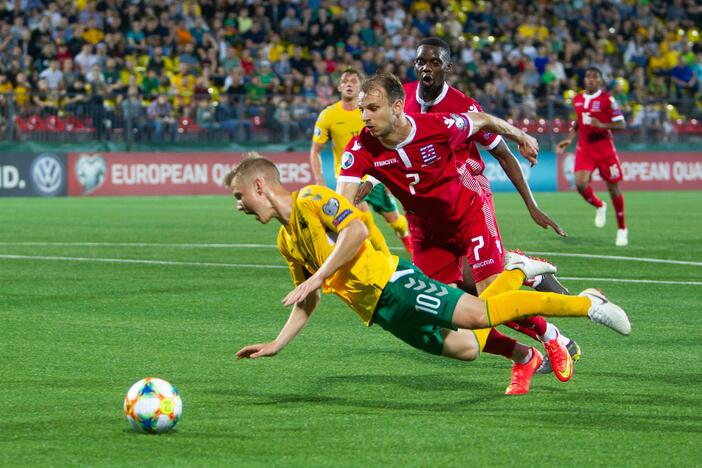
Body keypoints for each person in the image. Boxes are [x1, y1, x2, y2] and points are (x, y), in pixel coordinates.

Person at [228, 156, 631, 396]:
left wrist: (318, 278)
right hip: (379, 312)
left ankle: (587, 304)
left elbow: (357, 231)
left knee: (479, 316)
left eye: (239, 196)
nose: (239, 206)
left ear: (259, 185)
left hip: (394, 283)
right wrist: (278, 343)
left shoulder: (313, 198)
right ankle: (522, 326)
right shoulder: (286, 241)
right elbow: (307, 299)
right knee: (468, 348)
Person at [337, 72, 575, 393]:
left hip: (468, 212)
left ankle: (551, 336)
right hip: (426, 233)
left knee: (491, 293)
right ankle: (523, 356)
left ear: (396, 107)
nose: (365, 116)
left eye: (373, 108)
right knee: (450, 316)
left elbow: (481, 120)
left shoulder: (436, 125)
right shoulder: (360, 148)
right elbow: (341, 203)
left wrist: (521, 135)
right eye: (363, 109)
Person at [396, 37, 578, 377]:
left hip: (469, 199)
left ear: (447, 67)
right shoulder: (402, 99)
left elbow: (502, 153)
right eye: (421, 61)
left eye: (434, 62)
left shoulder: (463, 106)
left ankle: (541, 334)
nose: (426, 68)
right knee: (451, 307)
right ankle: (548, 334)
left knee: (487, 297)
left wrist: (532, 206)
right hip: (430, 214)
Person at [309, 68, 413, 255]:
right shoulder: (328, 115)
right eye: (345, 80)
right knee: (364, 219)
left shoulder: (371, 112)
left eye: (354, 81)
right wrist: (319, 179)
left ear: (361, 86)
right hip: (350, 177)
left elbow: (386, 141)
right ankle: (386, 261)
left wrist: (389, 175)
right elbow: (315, 150)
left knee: (395, 220)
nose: (349, 83)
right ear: (340, 86)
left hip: (376, 175)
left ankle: (407, 239)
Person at [556, 67, 628, 246]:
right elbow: (578, 122)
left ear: (600, 81)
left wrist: (602, 124)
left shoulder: (607, 100)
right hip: (585, 149)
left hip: (604, 149)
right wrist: (568, 139)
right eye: (587, 77)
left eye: (594, 77)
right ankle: (599, 205)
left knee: (613, 188)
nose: (590, 80)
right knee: (580, 184)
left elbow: (621, 124)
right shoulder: (578, 99)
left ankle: (621, 229)